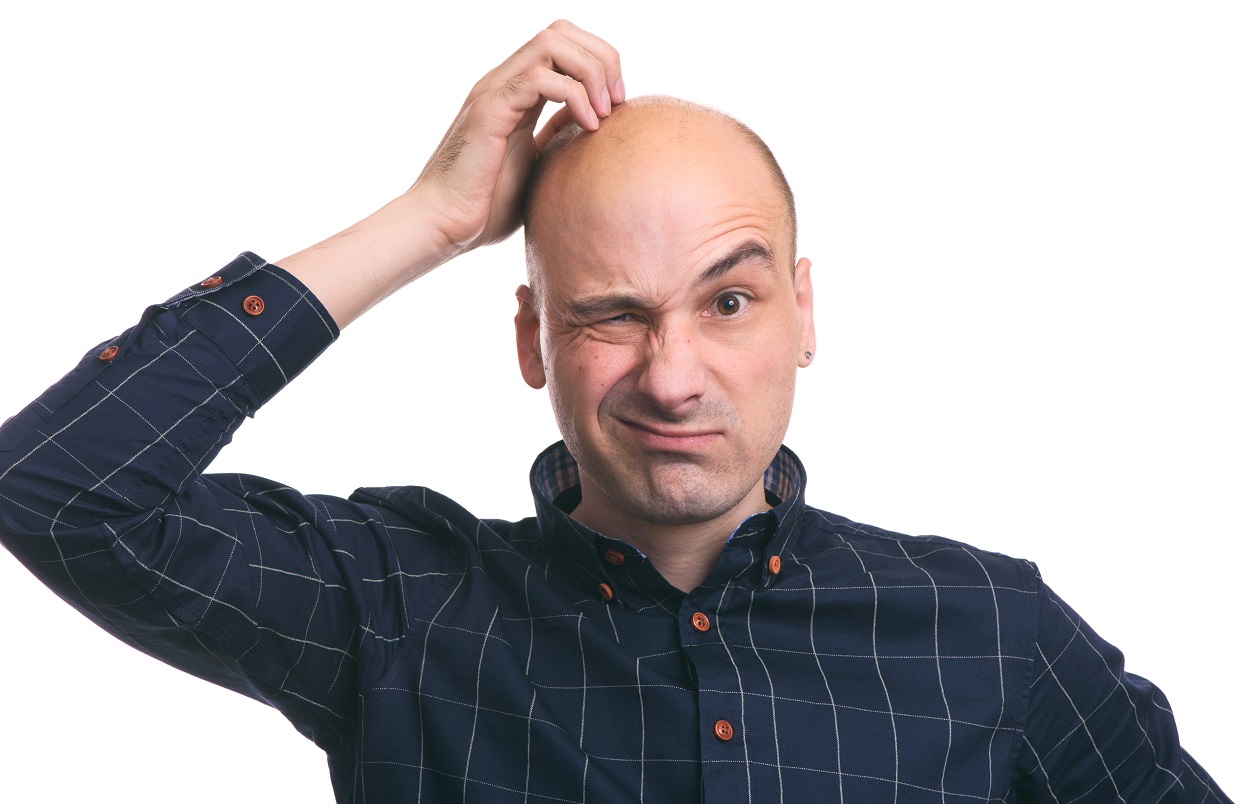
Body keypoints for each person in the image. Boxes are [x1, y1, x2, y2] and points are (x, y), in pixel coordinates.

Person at [0, 19, 1233, 803]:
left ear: (804, 311)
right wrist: (430, 218)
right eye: (610, 315)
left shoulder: (992, 635)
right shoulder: (397, 609)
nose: (673, 373)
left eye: (728, 302)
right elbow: (57, 485)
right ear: (534, 340)